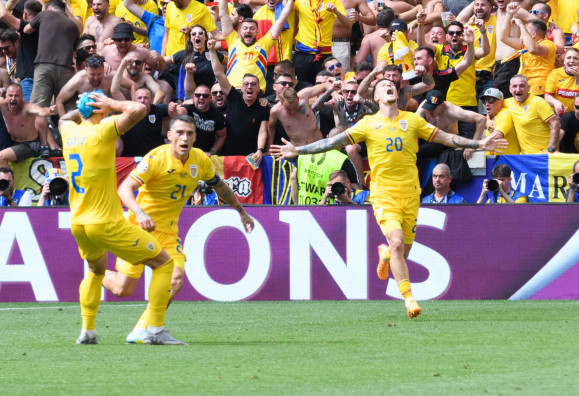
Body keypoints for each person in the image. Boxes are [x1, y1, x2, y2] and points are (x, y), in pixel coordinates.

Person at [271, 77, 505, 319]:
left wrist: (479, 143)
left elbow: (446, 138)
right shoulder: (368, 124)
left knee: (401, 252)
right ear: (377, 97)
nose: (389, 86)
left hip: (411, 195)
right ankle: (409, 298)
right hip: (384, 195)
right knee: (396, 242)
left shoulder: (412, 120)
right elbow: (332, 142)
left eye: (390, 84)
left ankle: (384, 256)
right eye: (383, 85)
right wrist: (298, 150)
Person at [103, 116, 254, 343]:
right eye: (180, 133)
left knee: (175, 279)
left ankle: (145, 330)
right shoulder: (156, 158)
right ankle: (96, 273)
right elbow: (125, 188)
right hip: (139, 229)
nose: (185, 138)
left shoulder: (200, 160)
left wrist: (241, 211)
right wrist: (140, 212)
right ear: (170, 135)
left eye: (190, 133)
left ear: (195, 137)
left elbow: (220, 186)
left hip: (168, 233)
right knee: (123, 289)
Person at [60, 91, 181, 345]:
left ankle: (87, 330)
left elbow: (63, 118)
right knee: (164, 264)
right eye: (103, 107)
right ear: (100, 110)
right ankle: (156, 330)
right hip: (105, 222)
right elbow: (139, 109)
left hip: (78, 222)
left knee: (95, 271)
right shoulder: (101, 130)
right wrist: (112, 103)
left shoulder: (68, 131)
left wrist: (83, 107)